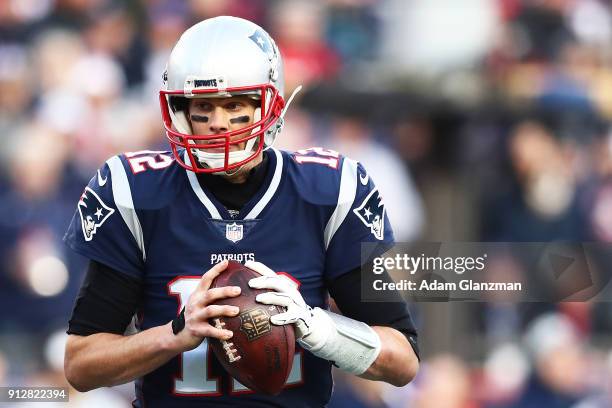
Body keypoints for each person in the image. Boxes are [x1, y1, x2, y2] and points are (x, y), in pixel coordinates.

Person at [63, 16, 419, 407]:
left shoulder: (328, 191)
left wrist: (317, 327)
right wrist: (173, 334)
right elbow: (81, 365)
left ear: (271, 105)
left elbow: (402, 361)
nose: (218, 123)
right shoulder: (137, 192)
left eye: (234, 105)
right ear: (179, 110)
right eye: (203, 107)